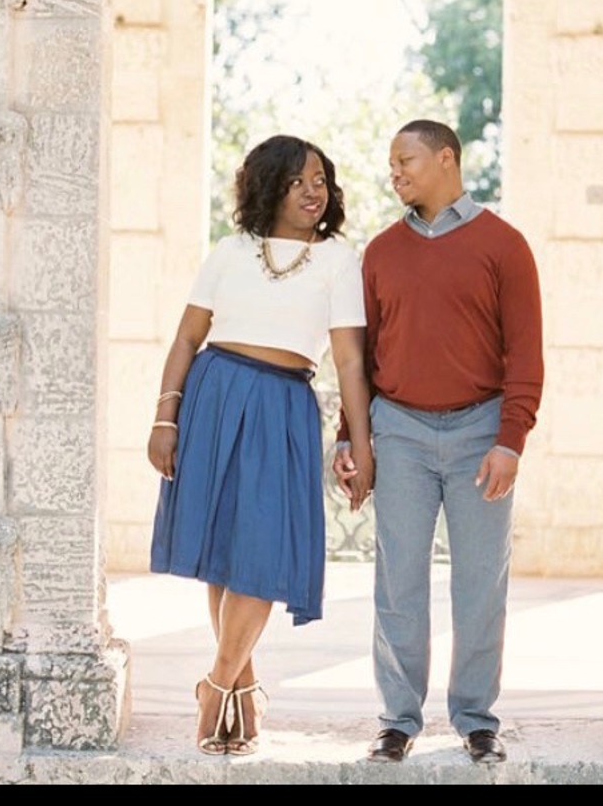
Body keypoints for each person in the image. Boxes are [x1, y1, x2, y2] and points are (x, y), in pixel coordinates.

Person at [148, 134, 375, 758]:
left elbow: (351, 362)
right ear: (267, 184)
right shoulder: (229, 251)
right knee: (225, 546)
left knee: (264, 549)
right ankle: (242, 691)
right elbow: (186, 338)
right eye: (300, 179)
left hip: (286, 403)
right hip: (215, 394)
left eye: (321, 180)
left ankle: (216, 683)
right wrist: (165, 418)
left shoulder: (338, 260)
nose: (313, 190)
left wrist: (361, 439)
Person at [334, 119, 544, 766]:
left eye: (406, 161)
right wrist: (351, 436)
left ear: (446, 159)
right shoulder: (380, 253)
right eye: (390, 163)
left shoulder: (505, 246)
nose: (394, 172)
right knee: (398, 581)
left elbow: (525, 353)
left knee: (481, 581)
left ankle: (477, 719)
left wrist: (511, 439)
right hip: (400, 430)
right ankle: (397, 721)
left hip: (481, 430)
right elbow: (361, 357)